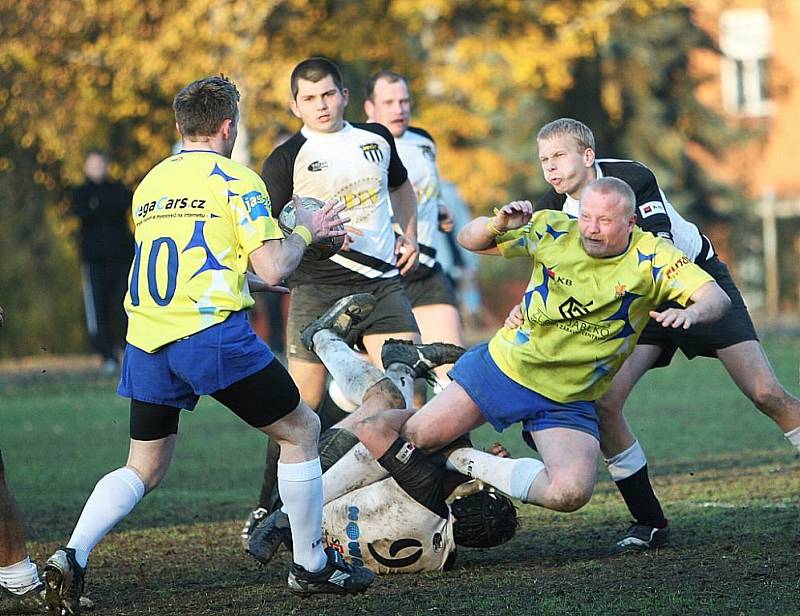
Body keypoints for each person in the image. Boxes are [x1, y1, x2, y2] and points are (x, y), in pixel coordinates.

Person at [42, 76, 375, 616]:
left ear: (180, 127)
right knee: (302, 430)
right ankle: (312, 565)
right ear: (229, 127)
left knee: (143, 466)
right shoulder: (237, 180)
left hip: (147, 338)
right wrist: (306, 231)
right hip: (208, 335)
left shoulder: (150, 183)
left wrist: (273, 254)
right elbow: (272, 263)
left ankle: (70, 556)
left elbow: (200, 263)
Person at [289, 178, 730, 524]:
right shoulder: (554, 227)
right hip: (506, 367)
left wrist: (692, 313)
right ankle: (396, 422)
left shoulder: (652, 257)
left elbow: (716, 298)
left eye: (605, 221)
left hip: (569, 397)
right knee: (419, 437)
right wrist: (498, 224)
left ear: (630, 223)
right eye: (587, 217)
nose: (591, 228)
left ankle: (464, 459)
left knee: (570, 493)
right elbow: (468, 238)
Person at [528, 118, 800, 553]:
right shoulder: (551, 209)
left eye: (558, 155)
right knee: (605, 402)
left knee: (766, 393)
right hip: (638, 304)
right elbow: (550, 272)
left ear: (587, 156)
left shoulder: (632, 176)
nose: (550, 167)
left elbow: (662, 245)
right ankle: (649, 522)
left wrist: (687, 308)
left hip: (695, 282)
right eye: (543, 159)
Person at [247, 296, 518, 574]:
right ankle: (402, 365)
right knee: (410, 448)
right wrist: (471, 470)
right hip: (305, 551)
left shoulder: (425, 487)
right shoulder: (441, 561)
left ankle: (322, 338)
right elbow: (429, 491)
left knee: (387, 402)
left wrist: (434, 416)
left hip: (300, 496)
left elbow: (377, 434)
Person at [261, 57, 422, 412]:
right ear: (294, 105)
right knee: (300, 408)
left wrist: (409, 235)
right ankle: (282, 471)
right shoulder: (284, 159)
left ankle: (392, 469)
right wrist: (314, 235)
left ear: (344, 95)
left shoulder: (377, 137)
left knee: (406, 396)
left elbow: (402, 187)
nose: (321, 104)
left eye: (328, 94)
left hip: (382, 284)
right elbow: (267, 230)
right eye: (309, 98)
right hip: (316, 290)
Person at [364, 70, 464, 390]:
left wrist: (439, 211)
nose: (399, 109)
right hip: (384, 274)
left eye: (404, 101)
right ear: (370, 107)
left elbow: (425, 194)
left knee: (452, 371)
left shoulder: (424, 141)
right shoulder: (359, 145)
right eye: (389, 102)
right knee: (399, 384)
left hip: (428, 268)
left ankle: (456, 442)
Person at [70, 151, 134, 375]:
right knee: (98, 309)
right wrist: (100, 208)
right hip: (94, 262)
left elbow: (122, 205)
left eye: (100, 164)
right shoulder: (80, 192)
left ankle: (129, 351)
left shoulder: (118, 189)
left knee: (124, 305)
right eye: (92, 165)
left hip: (121, 260)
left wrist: (99, 207)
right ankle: (107, 355)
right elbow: (83, 212)